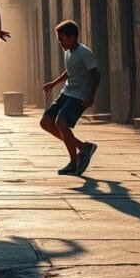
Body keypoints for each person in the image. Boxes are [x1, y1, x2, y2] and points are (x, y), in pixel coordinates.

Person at [41, 20, 100, 176]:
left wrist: (91, 97)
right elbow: (69, 72)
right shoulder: (68, 52)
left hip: (79, 96)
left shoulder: (83, 52)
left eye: (62, 39)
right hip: (66, 93)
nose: (60, 43)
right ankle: (83, 148)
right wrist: (53, 84)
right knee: (45, 122)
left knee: (61, 123)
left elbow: (96, 75)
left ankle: (74, 163)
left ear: (72, 37)